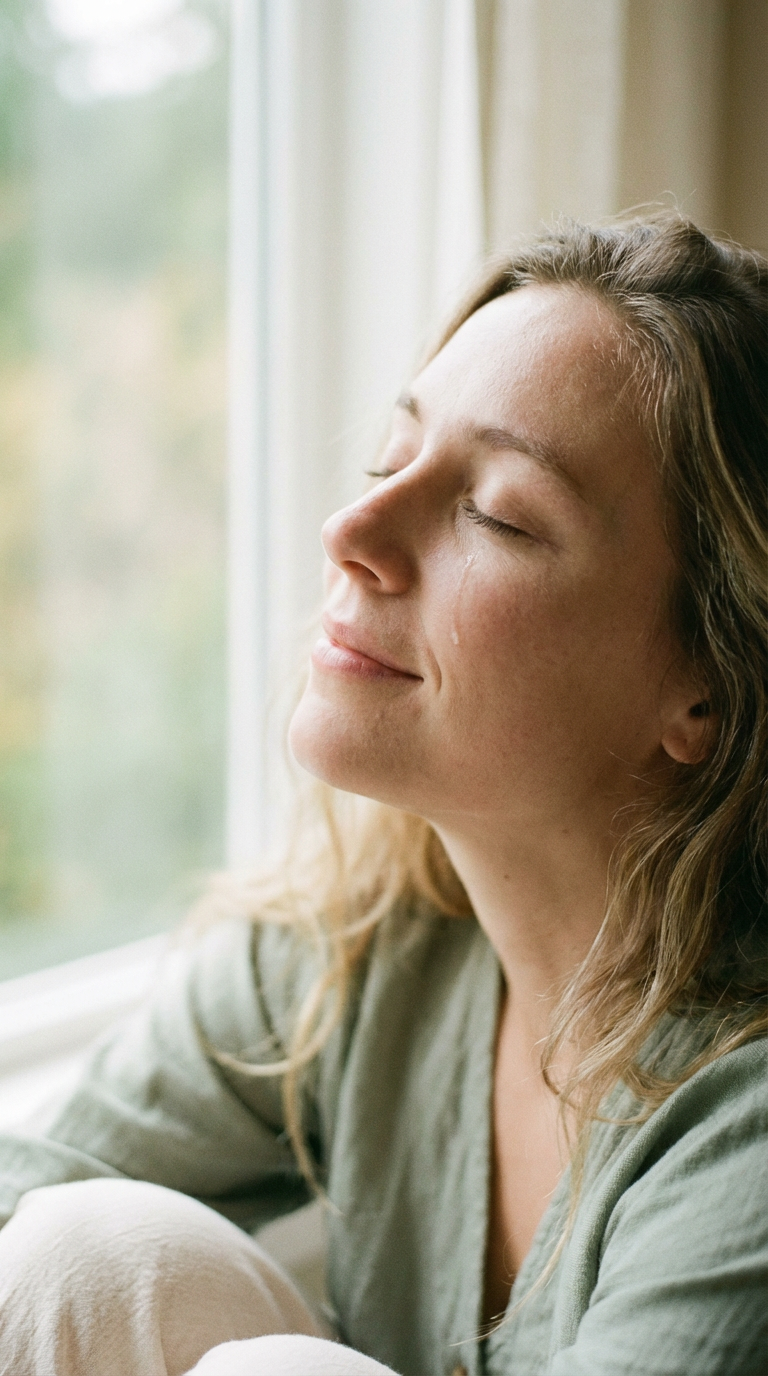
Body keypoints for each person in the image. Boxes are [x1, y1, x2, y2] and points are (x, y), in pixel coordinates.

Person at [0, 213, 765, 1376]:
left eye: (498, 513)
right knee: (87, 1250)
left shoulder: (745, 1131)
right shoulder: (361, 948)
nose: (351, 530)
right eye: (390, 458)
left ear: (704, 689)